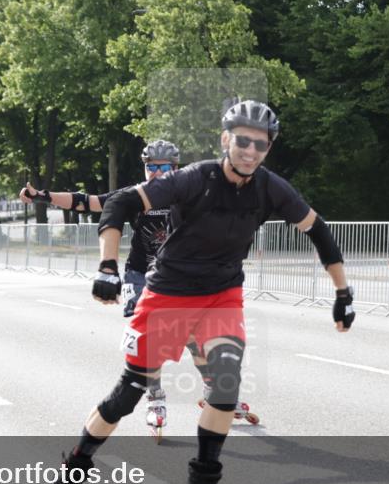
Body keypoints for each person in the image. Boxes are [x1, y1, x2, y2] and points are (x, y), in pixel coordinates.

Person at [39, 100, 355, 484]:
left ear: (268, 149)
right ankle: (72, 472)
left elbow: (318, 230)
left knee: (225, 383)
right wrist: (108, 266)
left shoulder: (270, 188)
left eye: (259, 145)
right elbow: (123, 202)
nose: (249, 150)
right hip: (167, 296)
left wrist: (343, 294)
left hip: (221, 297)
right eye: (241, 140)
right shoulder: (197, 178)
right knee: (127, 395)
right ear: (226, 139)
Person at [19, 140, 261, 438]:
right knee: (152, 341)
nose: (157, 174)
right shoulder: (138, 195)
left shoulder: (188, 192)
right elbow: (88, 201)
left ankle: (214, 389)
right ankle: (155, 399)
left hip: (179, 276)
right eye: (151, 167)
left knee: (195, 337)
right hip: (141, 274)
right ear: (144, 168)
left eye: (164, 168)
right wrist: (42, 196)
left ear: (175, 169)